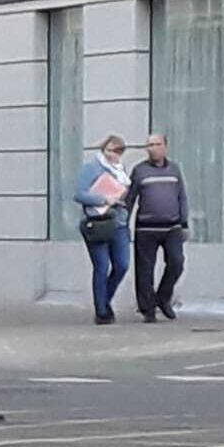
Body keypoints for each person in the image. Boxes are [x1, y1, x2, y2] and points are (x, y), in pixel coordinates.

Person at [126, 133, 189, 323]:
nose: (152, 148)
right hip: (146, 228)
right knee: (145, 270)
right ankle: (148, 308)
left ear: (165, 147)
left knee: (177, 263)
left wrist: (184, 222)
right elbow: (130, 199)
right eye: (149, 145)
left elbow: (182, 196)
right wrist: (123, 224)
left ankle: (162, 298)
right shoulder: (139, 171)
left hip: (172, 227)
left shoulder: (175, 169)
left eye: (156, 144)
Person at [73, 134, 133, 325]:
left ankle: (105, 299)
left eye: (116, 151)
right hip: (98, 223)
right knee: (101, 266)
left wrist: (122, 201)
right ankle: (102, 311)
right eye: (108, 150)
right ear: (103, 149)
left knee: (122, 265)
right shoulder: (92, 168)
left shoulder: (122, 171)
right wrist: (103, 199)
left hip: (119, 223)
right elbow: (79, 194)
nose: (112, 155)